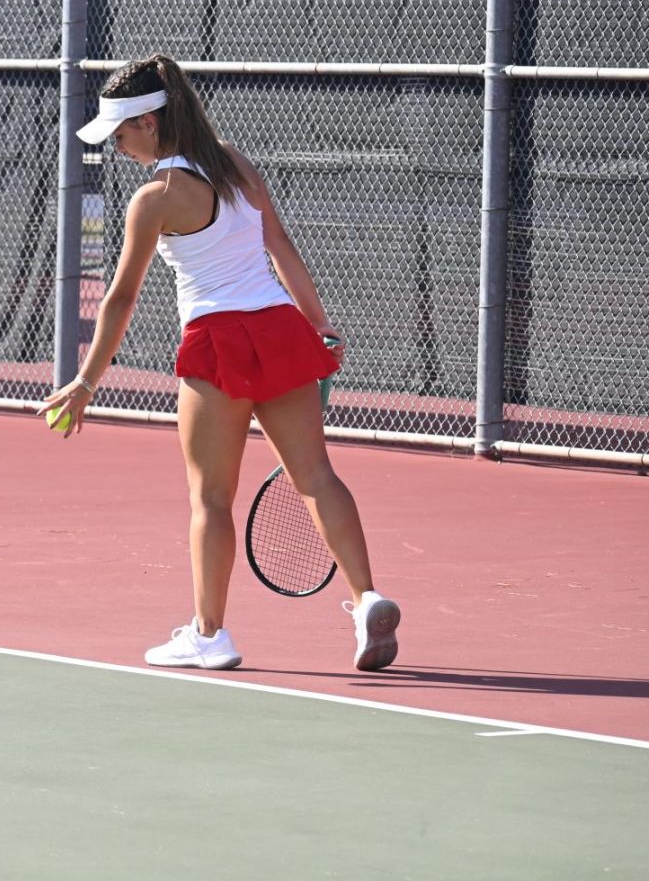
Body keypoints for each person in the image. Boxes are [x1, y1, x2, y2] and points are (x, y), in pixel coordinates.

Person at [41, 54, 400, 672]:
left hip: (217, 341)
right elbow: (278, 243)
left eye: (122, 135)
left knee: (210, 497)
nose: (120, 147)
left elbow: (120, 298)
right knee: (317, 475)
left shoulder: (154, 199)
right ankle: (367, 596)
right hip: (281, 328)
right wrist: (319, 324)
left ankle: (210, 635)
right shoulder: (234, 162)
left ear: (150, 124)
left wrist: (84, 380)